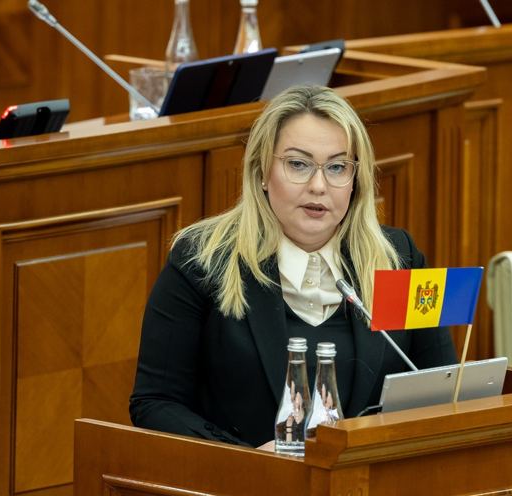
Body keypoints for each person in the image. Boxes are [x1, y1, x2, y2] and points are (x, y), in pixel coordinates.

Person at [129, 85, 454, 446]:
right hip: (250, 479)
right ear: (262, 171)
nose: (319, 186)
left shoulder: (399, 259)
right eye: (298, 164)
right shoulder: (202, 261)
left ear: (355, 181)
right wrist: (250, 460)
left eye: (337, 167)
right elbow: (155, 403)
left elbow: (445, 389)